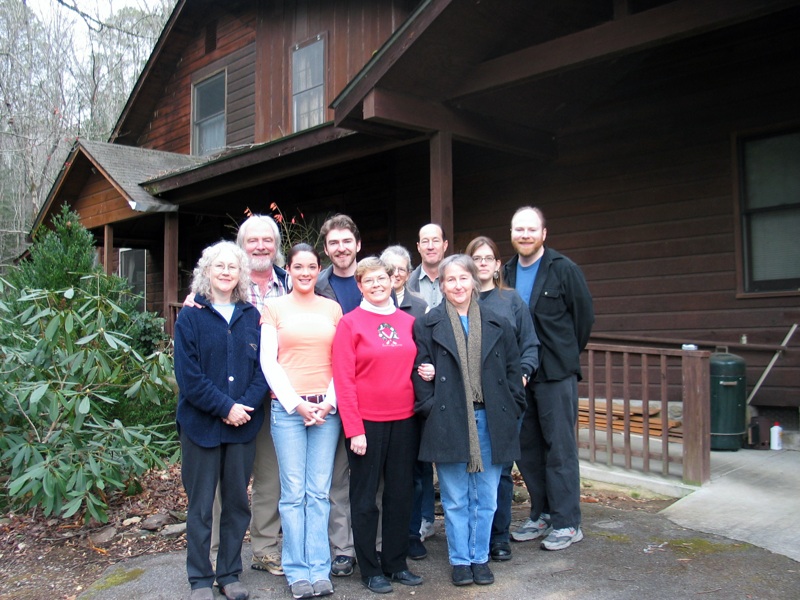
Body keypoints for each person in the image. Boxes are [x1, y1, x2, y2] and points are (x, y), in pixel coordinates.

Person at [412, 254, 525, 587]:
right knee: (455, 498)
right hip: (449, 418)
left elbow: (512, 369)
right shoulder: (428, 323)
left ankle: (480, 558)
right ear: (442, 284)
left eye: (463, 278)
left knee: (486, 497)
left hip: (491, 419)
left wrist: (513, 405)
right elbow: (419, 372)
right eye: (450, 279)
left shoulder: (498, 322)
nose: (457, 285)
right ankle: (460, 560)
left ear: (474, 281)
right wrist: (431, 406)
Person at [184, 214, 287, 577]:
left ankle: (264, 549)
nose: (261, 246)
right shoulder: (201, 302)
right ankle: (212, 555)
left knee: (268, 477)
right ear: (242, 248)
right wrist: (228, 406)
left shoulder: (290, 283)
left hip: (271, 398)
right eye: (252, 241)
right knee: (216, 487)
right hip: (225, 401)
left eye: (267, 240)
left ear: (275, 247)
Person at [174, 241, 268, 600]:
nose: (226, 272)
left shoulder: (251, 316)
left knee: (236, 503)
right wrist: (224, 407)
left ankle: (229, 574)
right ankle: (199, 579)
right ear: (206, 272)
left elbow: (263, 370)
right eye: (219, 266)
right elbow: (189, 377)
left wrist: (242, 407)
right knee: (200, 507)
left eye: (233, 267)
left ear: (241, 274)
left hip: (242, 426)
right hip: (200, 426)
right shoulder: (191, 316)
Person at [332, 257, 425, 594]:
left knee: (400, 494)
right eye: (368, 280)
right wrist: (353, 428)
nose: (376, 285)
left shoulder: (407, 321)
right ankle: (370, 568)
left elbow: (417, 363)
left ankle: (396, 563)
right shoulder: (350, 324)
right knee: (365, 496)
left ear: (392, 280)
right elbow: (343, 379)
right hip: (367, 423)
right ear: (359, 286)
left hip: (404, 419)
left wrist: (426, 370)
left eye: (381, 278)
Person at [503, 206, 594, 551]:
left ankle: (567, 521)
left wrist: (564, 353)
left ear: (544, 233)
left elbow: (583, 318)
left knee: (559, 447)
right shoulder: (506, 273)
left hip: (556, 373)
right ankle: (540, 513)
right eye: (518, 229)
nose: (524, 235)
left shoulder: (563, 269)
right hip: (520, 376)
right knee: (527, 448)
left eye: (530, 229)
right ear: (512, 234)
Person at [260, 243, 343, 599]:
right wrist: (295, 404)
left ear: (317, 268)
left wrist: (328, 402)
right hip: (287, 411)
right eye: (298, 267)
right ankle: (297, 572)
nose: (306, 273)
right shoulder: (273, 307)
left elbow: (343, 361)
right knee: (293, 495)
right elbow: (268, 361)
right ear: (288, 270)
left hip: (325, 410)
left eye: (311, 266)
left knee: (319, 493)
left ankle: (319, 570)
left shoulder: (333, 309)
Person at [465, 236, 540, 562]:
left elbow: (530, 345)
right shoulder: (460, 300)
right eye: (476, 258)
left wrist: (522, 375)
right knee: (470, 469)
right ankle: (471, 536)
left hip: (506, 399)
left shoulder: (511, 301)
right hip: (468, 400)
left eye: (488, 258)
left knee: (501, 470)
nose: (482, 263)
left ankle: (498, 537)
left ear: (498, 265)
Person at [313, 214, 361, 577]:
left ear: (357, 244)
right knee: (336, 476)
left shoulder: (375, 280)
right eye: (334, 243)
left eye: (347, 241)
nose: (341, 248)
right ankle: (342, 548)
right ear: (326, 249)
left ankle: (374, 543)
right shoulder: (314, 285)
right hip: (331, 391)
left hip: (373, 392)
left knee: (373, 474)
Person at [405, 224, 448, 559]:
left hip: (451, 374)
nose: (431, 246)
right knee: (420, 461)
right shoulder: (407, 283)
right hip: (420, 377)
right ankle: (423, 520)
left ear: (445, 245)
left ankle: (456, 518)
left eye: (436, 240)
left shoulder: (456, 276)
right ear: (418, 246)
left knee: (452, 455)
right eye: (425, 241)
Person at [380, 245, 428, 320]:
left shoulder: (421, 307)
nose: (396, 274)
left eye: (401, 269)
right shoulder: (371, 304)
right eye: (391, 268)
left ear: (408, 275)